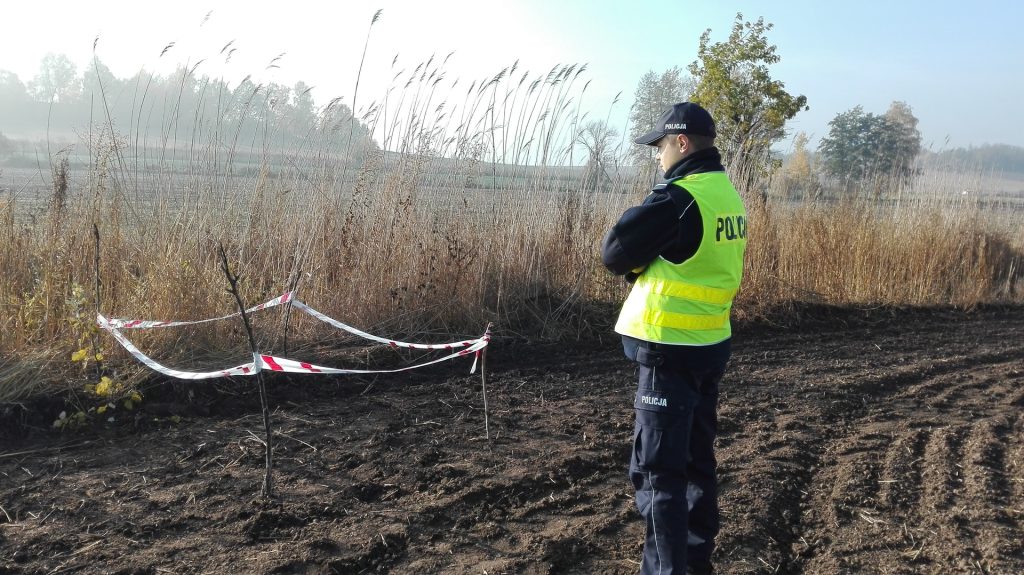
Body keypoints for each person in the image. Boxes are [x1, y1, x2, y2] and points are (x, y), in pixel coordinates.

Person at [601, 102, 747, 575]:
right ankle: (696, 565)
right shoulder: (726, 194)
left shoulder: (679, 199)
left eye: (660, 146)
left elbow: (615, 252)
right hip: (709, 346)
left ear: (681, 143)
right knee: (697, 467)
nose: (657, 155)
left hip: (668, 352)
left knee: (659, 476)